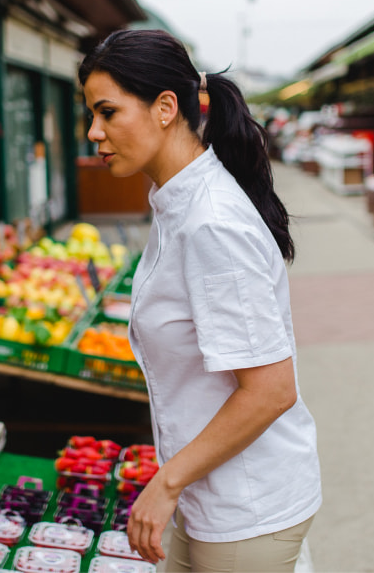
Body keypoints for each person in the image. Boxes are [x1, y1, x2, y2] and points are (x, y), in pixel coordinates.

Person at [79, 29, 322, 572]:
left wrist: (166, 483)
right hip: (208, 495)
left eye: (107, 112)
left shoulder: (211, 223)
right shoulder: (177, 204)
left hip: (245, 507)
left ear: (166, 108)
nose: (94, 132)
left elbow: (269, 391)